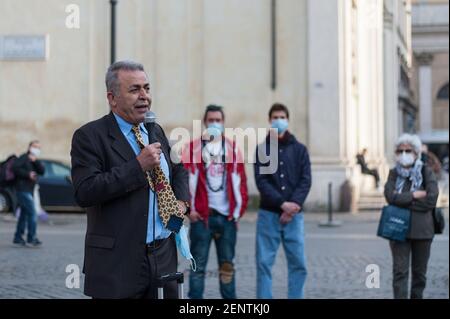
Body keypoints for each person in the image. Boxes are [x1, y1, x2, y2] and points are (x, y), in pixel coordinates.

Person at [70, 60, 190, 299]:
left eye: (147, 88)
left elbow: (179, 169)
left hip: (163, 257)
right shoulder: (89, 137)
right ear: (112, 98)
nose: (144, 96)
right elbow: (85, 192)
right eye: (134, 90)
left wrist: (182, 202)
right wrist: (137, 166)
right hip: (117, 263)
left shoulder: (155, 131)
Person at [181, 104, 248, 299]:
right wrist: (188, 211)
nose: (214, 124)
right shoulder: (191, 149)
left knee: (227, 267)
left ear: (223, 123)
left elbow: (241, 182)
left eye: (218, 120)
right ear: (204, 122)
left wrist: (238, 211)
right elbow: (183, 181)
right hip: (202, 218)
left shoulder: (232, 148)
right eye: (211, 120)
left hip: (226, 218)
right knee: (197, 267)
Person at [254, 103, 311, 299]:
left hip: (295, 217)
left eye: (282, 117)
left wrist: (293, 205)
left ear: (287, 120)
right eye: (275, 117)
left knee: (299, 264)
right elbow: (261, 181)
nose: (279, 120)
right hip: (269, 214)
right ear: (270, 121)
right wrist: (282, 204)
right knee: (264, 264)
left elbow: (306, 180)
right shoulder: (262, 149)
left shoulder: (300, 149)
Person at [384, 133, 439, 299]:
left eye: (407, 150)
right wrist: (414, 195)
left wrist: (401, 200)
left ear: (416, 153)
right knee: (399, 272)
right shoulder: (393, 173)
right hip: (398, 228)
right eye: (399, 151)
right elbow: (389, 196)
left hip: (423, 231)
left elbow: (431, 199)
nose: (403, 154)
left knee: (419, 275)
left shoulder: (426, 171)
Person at [12, 140, 45, 247]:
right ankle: (31, 238)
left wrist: (35, 161)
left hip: (30, 190)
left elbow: (42, 171)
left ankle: (18, 237)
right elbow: (15, 168)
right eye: (35, 146)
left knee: (24, 214)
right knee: (32, 213)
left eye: (38, 147)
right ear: (30, 147)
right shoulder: (23, 157)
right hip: (22, 190)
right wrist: (28, 174)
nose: (37, 149)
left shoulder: (34, 160)